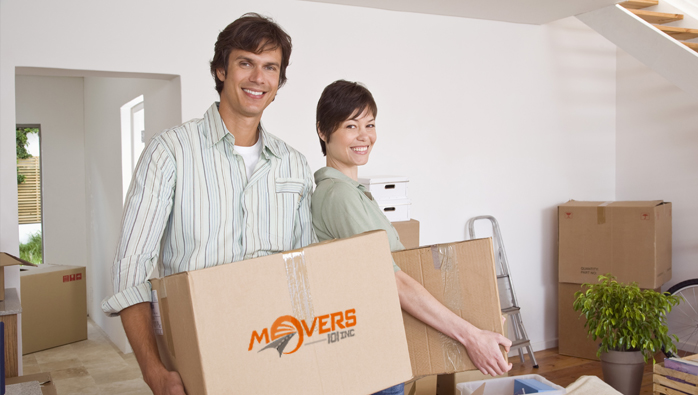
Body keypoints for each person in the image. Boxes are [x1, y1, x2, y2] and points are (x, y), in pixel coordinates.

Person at [101, 14, 315, 395]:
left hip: (279, 352)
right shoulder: (170, 152)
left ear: (278, 83)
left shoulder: (294, 163)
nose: (258, 78)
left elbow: (303, 269)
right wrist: (154, 373)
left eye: (270, 68)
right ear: (221, 69)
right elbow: (130, 270)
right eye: (245, 62)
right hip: (197, 355)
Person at [311, 80, 512, 394]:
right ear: (323, 132)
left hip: (379, 348)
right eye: (351, 125)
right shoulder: (339, 196)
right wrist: (471, 336)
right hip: (370, 358)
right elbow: (392, 280)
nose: (365, 136)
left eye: (370, 124)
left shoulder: (354, 192)